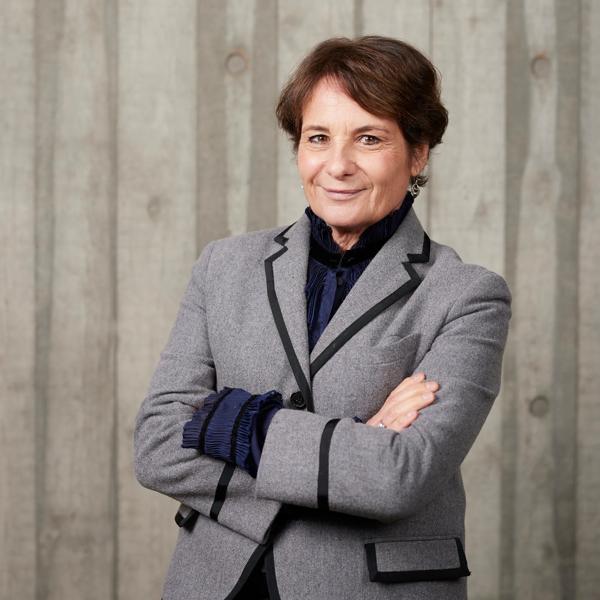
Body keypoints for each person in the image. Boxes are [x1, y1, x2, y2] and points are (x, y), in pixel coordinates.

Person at [134, 35, 512, 600]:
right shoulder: (225, 266)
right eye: (318, 138)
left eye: (369, 138)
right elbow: (157, 444)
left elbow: (400, 476)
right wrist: (356, 445)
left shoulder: (466, 295)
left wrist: (234, 421)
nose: (337, 165)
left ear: (418, 152)